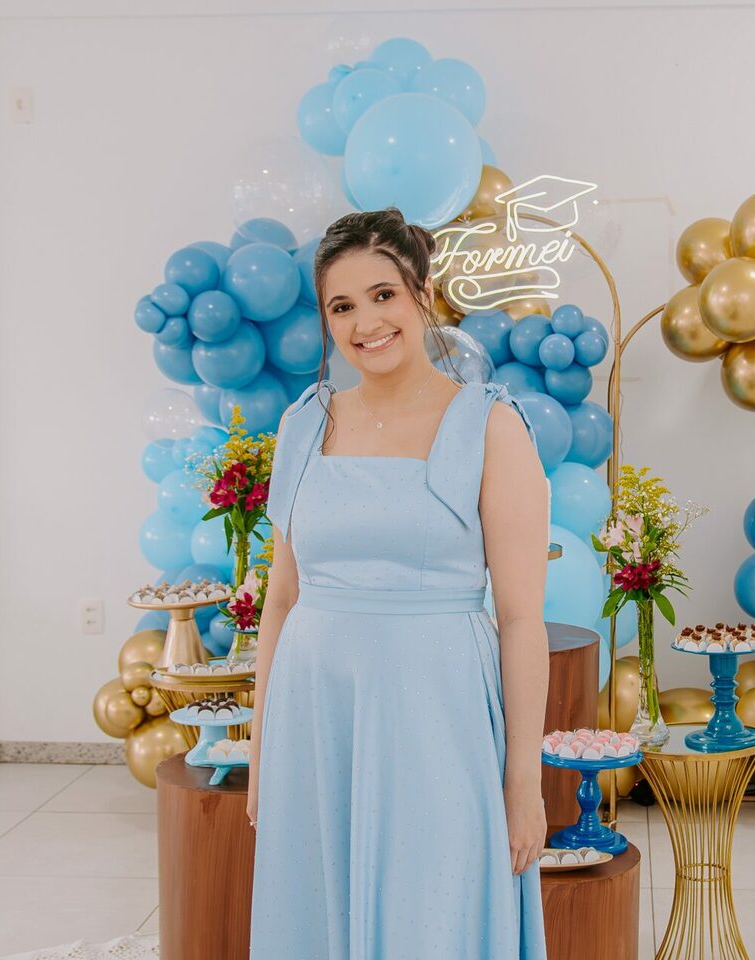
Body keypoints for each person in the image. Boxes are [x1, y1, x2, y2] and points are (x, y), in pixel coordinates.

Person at [247, 208, 550, 958]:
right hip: (315, 718)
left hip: (436, 717)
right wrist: (262, 753)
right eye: (341, 306)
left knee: (432, 915)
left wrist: (523, 781)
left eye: (383, 294)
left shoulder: (489, 424)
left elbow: (520, 620)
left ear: (422, 293)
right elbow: (280, 601)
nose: (365, 322)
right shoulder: (303, 424)